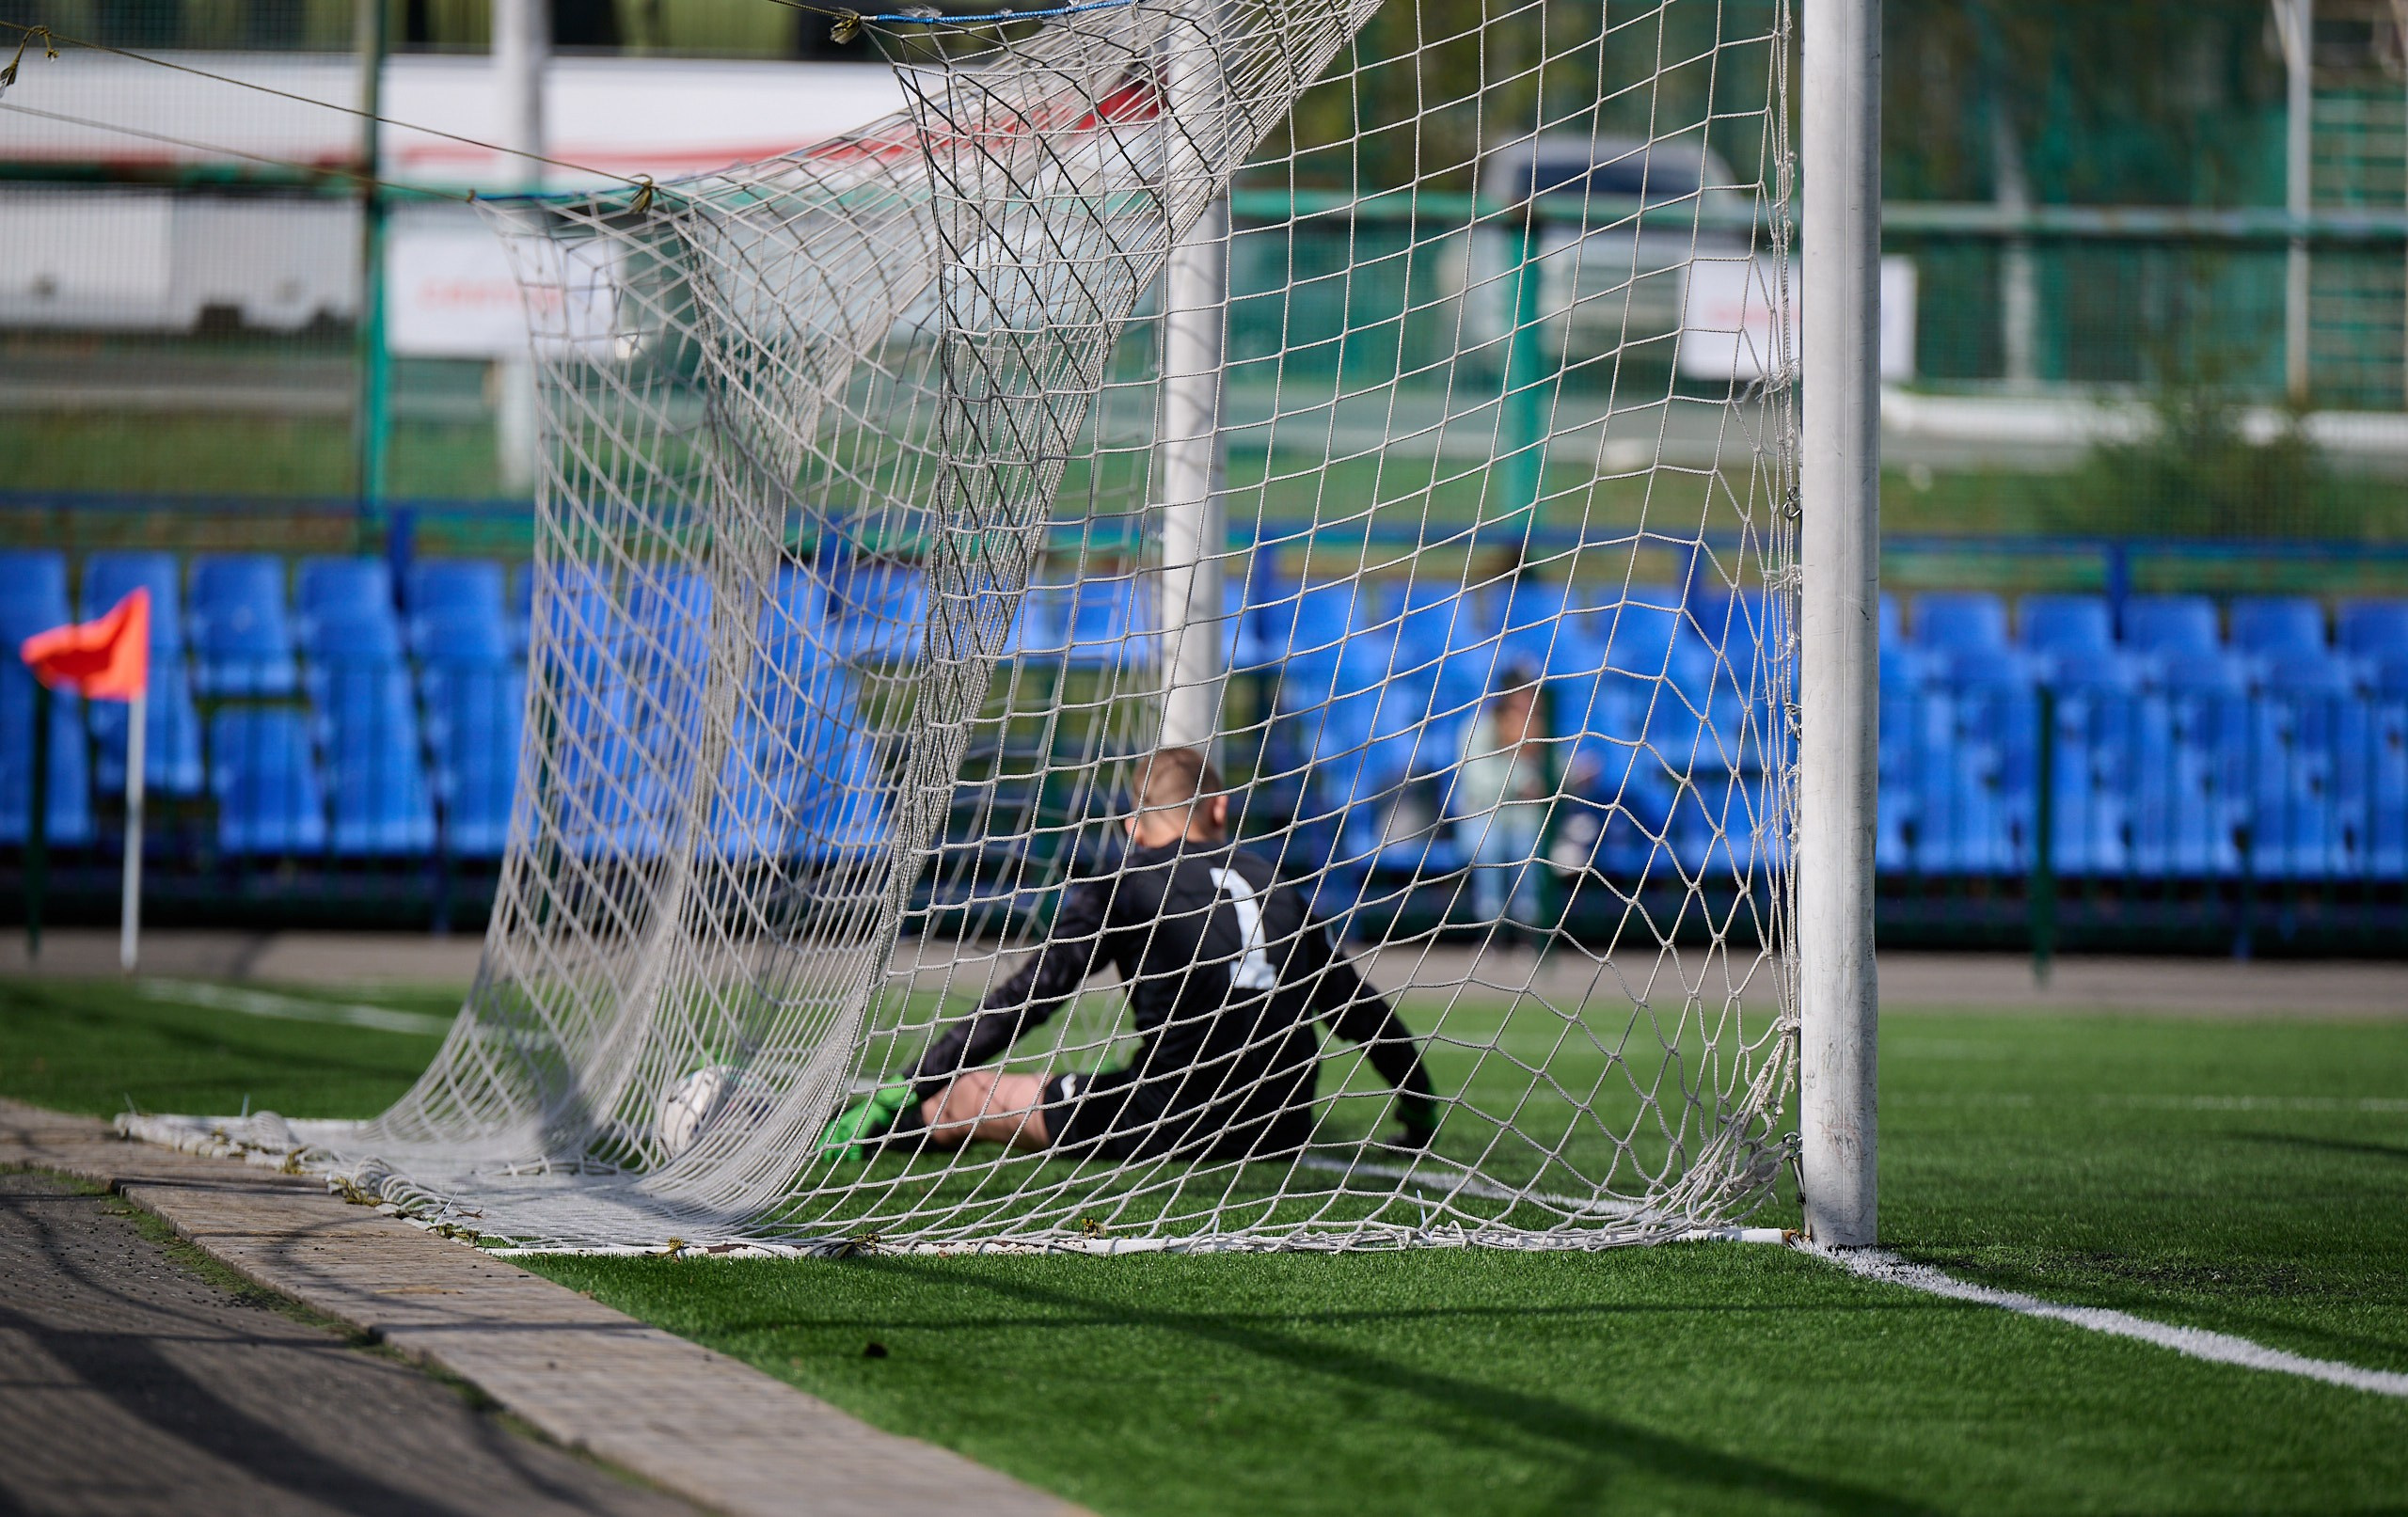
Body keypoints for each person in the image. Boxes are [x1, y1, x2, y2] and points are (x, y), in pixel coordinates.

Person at [819, 747, 1440, 1164]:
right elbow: (1361, 1012)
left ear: (1132, 825)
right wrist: (1418, 1109)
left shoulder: (1128, 882)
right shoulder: (1279, 884)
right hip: (1280, 1126)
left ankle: (845, 1132)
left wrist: (915, 1080)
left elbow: (1030, 996)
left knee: (972, 1095)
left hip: (1165, 1120)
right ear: (1219, 808)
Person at [1451, 670, 1553, 933]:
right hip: (1482, 813)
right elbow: (1477, 778)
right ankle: (1490, 928)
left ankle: (1527, 928)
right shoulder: (1478, 728)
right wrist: (1520, 782)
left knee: (1527, 845)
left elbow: (1556, 770)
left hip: (1526, 816)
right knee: (1490, 846)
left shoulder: (1541, 726)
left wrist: (1573, 777)